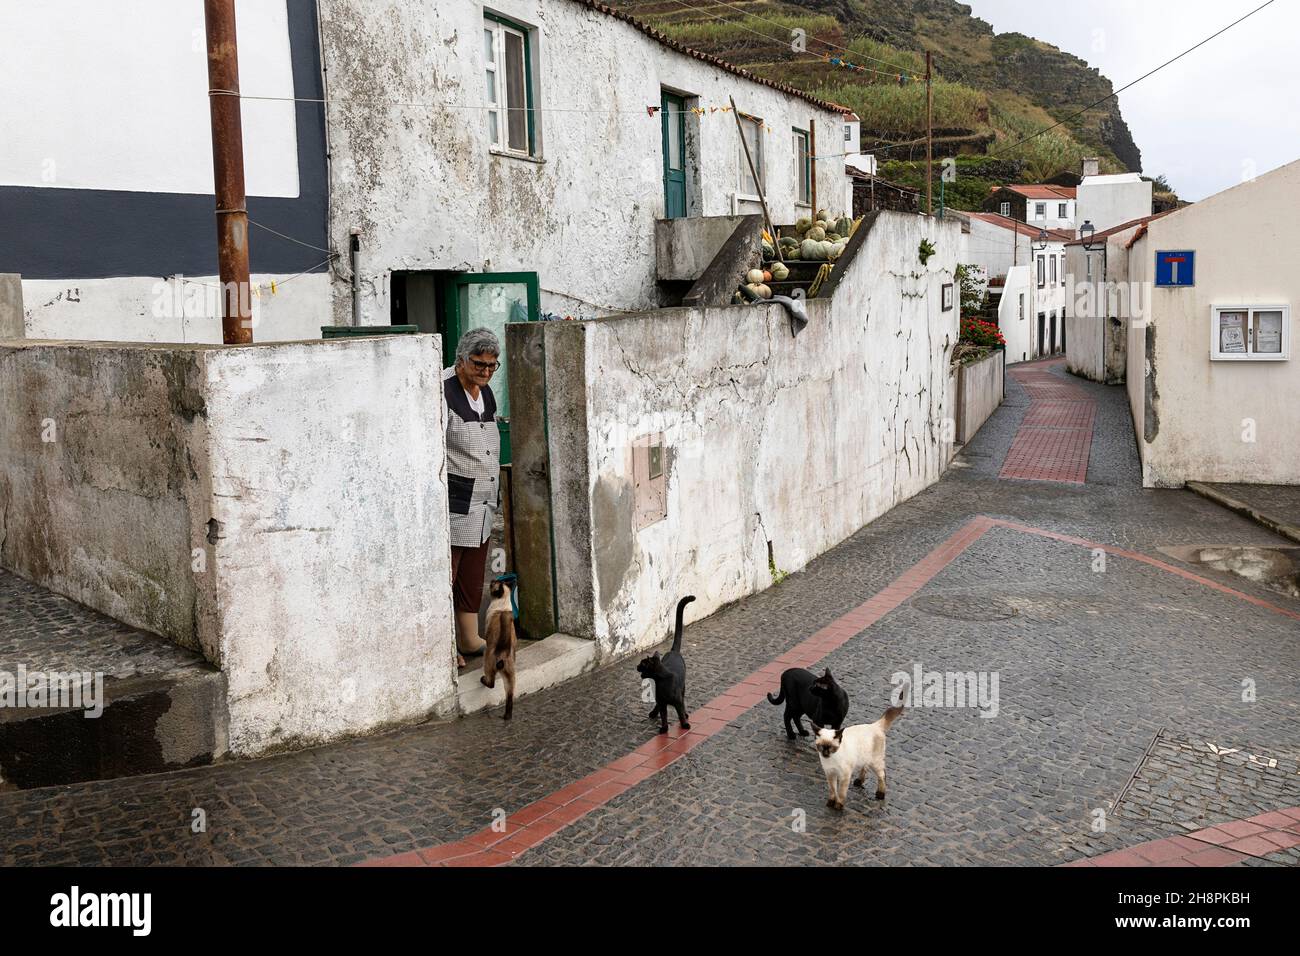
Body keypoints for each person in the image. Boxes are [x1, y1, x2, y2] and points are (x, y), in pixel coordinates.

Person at [443, 328, 502, 668]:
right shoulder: (443, 390)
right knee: (446, 572)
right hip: (455, 499)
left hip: (483, 500)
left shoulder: (486, 392)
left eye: (492, 365)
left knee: (473, 570)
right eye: (479, 364)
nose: (485, 371)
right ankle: (442, 648)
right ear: (461, 360)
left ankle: (468, 637)